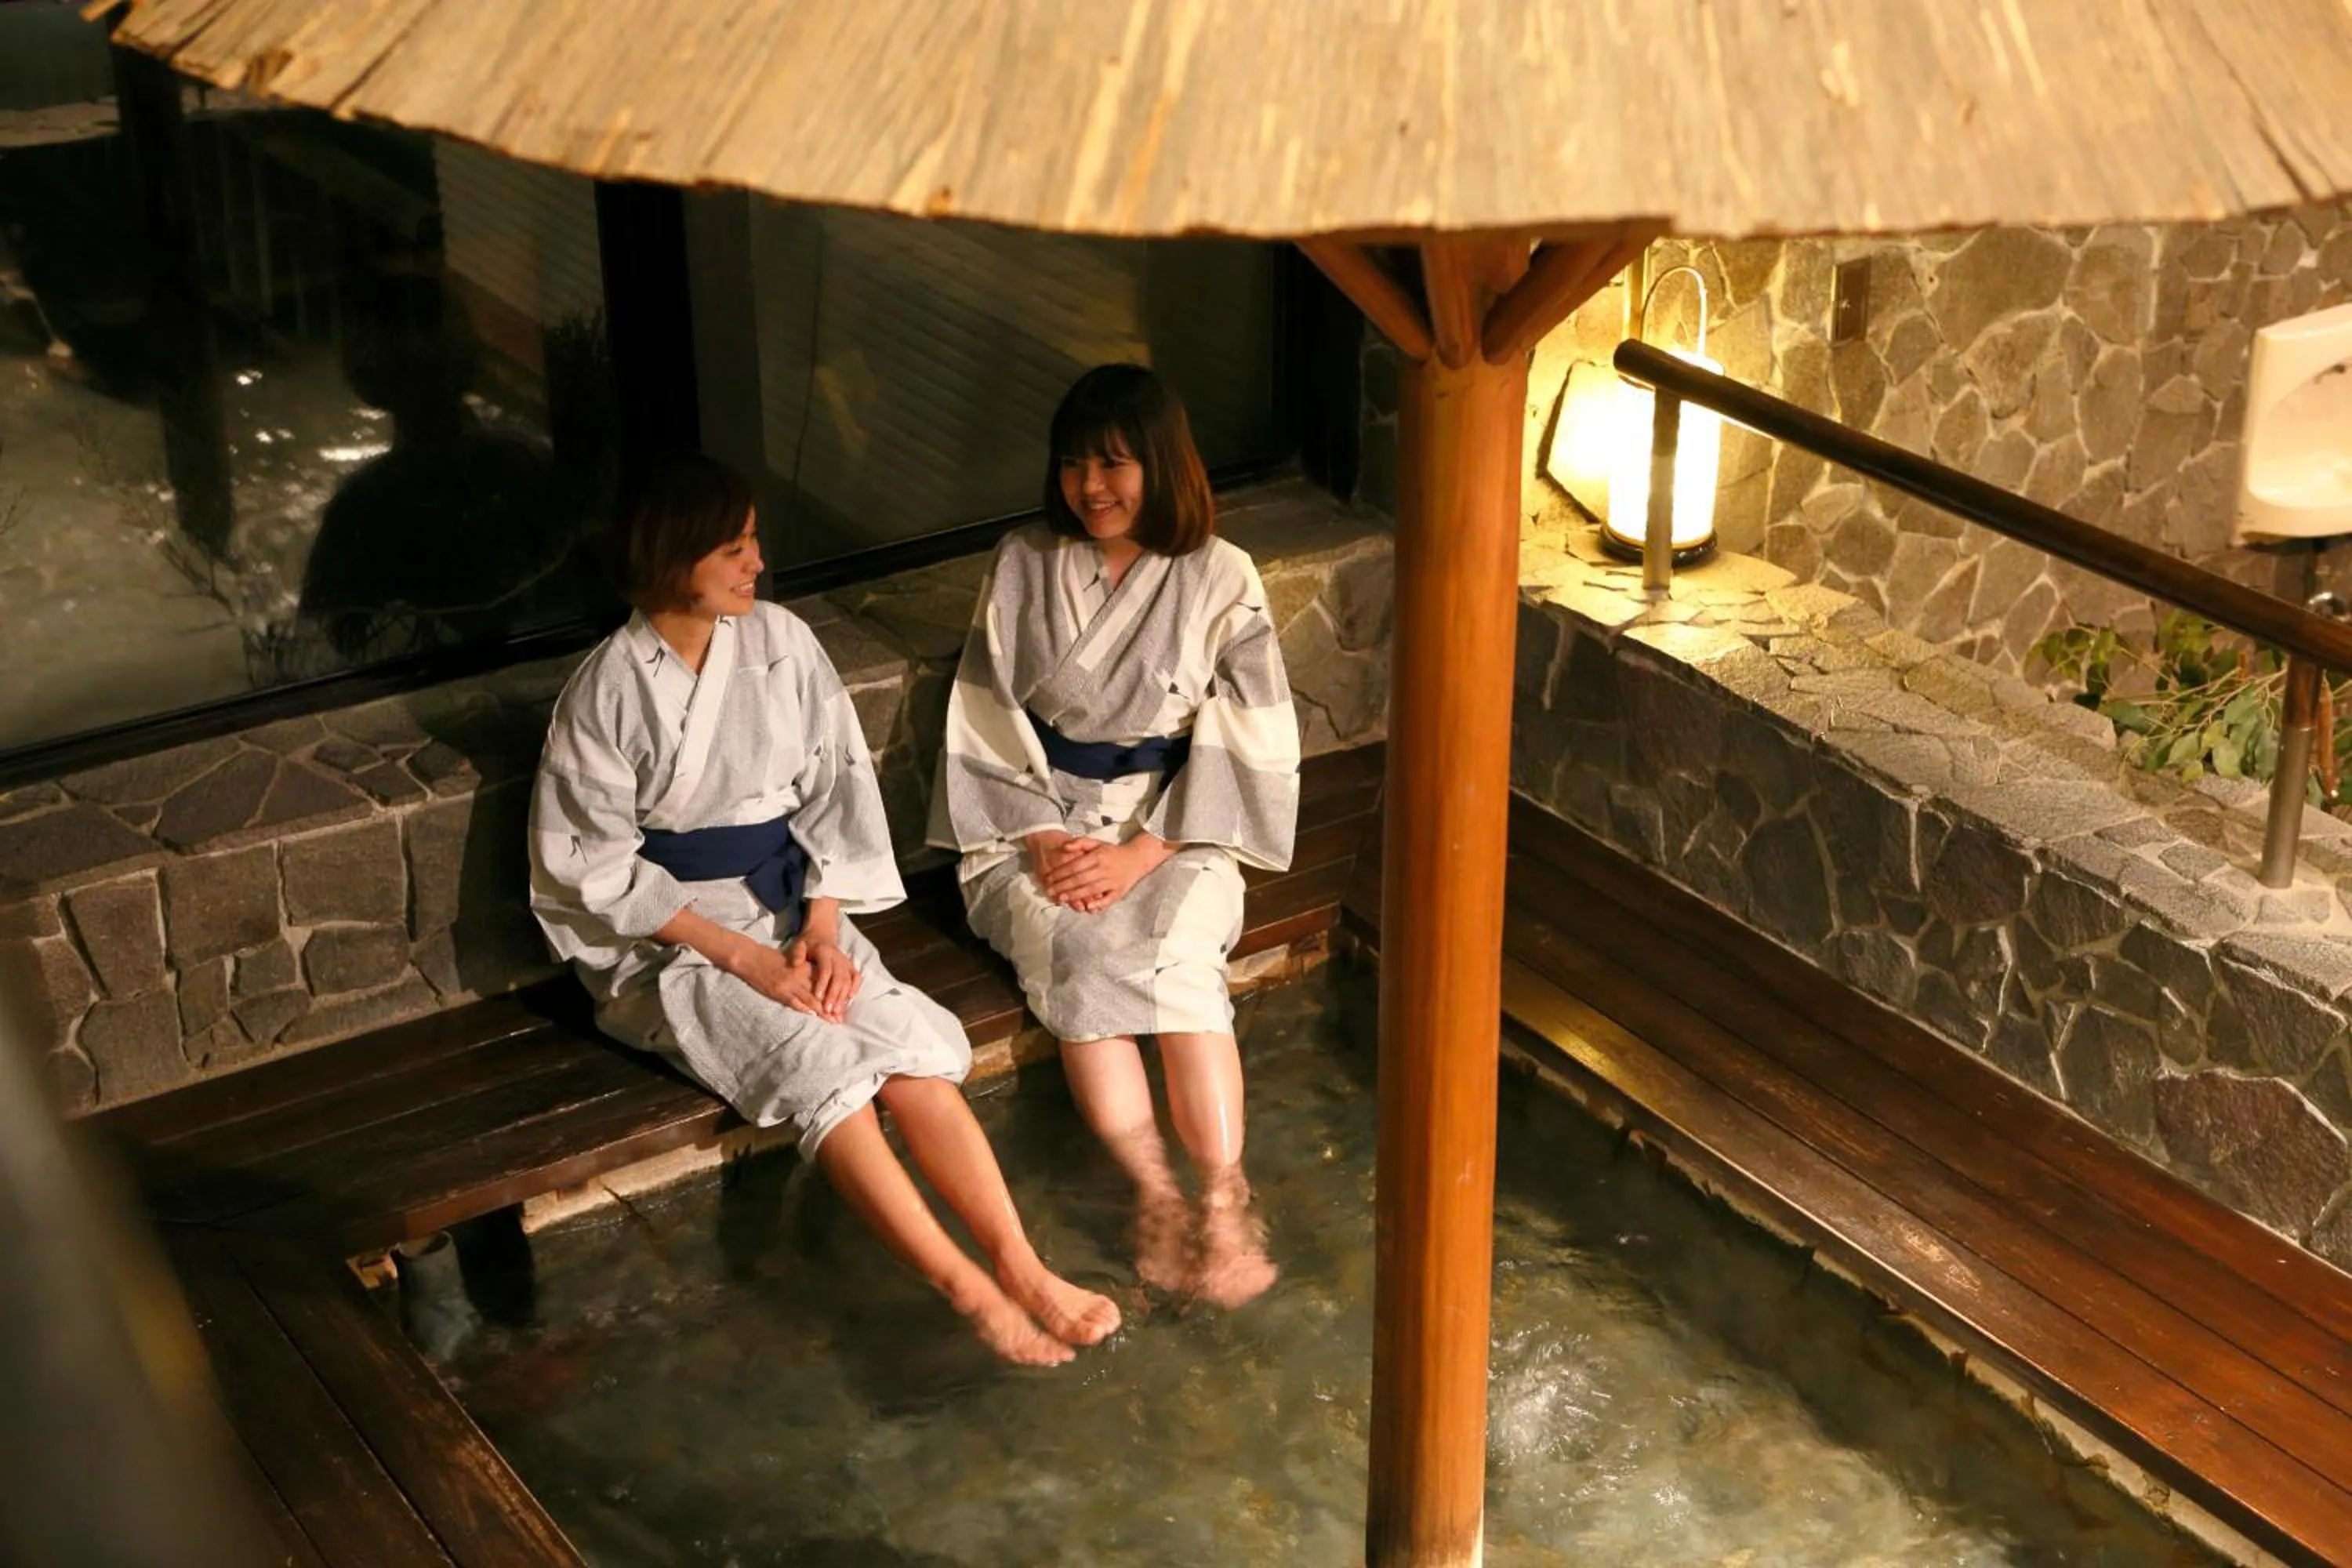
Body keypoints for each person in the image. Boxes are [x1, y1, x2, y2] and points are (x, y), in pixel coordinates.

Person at [529, 452, 1118, 1366]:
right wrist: (743, 958)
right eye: (734, 546)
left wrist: (821, 926)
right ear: (673, 557)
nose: (756, 562)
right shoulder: (606, 690)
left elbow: (834, 794)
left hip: (792, 900)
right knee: (823, 1065)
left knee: (905, 1050)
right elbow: (594, 864)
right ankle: (967, 1291)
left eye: (754, 539)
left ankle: (1023, 1264)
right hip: (675, 935)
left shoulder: (782, 643)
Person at [930, 365, 1301, 1308]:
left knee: (1179, 954)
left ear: (1163, 465)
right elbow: (984, 712)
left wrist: (1145, 849)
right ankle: (1158, 1197)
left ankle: (1223, 1197)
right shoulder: (1022, 561)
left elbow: (1250, 728)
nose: (1090, 486)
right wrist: (1046, 836)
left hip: (1174, 822)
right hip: (1033, 818)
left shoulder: (1223, 574)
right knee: (1084, 952)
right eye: (1072, 464)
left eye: (1113, 462)